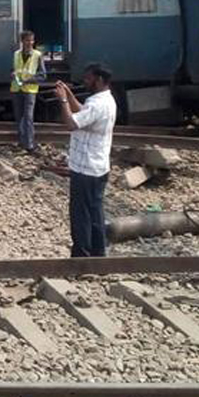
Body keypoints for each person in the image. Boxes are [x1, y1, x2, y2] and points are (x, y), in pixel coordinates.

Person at [54, 63, 116, 258]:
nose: (85, 81)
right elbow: (83, 113)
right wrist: (70, 95)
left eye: (88, 78)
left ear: (98, 80)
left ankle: (81, 257)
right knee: (95, 213)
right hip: (98, 167)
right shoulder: (105, 100)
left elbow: (72, 123)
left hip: (86, 169)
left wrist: (63, 101)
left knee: (81, 215)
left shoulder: (97, 103)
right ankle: (99, 254)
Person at [10, 30, 48, 152]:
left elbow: (43, 75)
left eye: (32, 40)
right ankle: (22, 142)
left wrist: (29, 80)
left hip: (30, 90)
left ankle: (30, 144)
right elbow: (14, 69)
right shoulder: (16, 54)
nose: (30, 43)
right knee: (19, 116)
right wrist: (12, 74)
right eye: (27, 40)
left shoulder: (37, 55)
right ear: (22, 41)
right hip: (16, 88)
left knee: (28, 117)